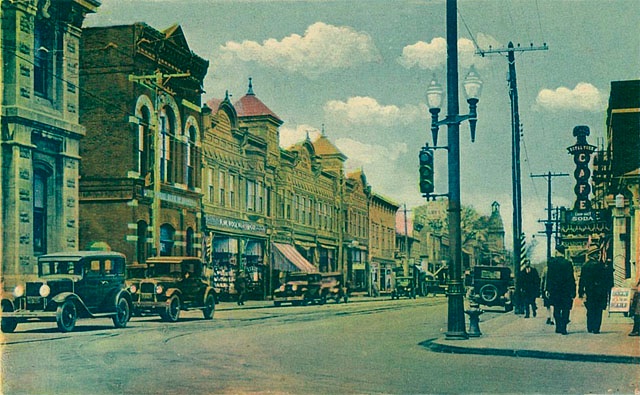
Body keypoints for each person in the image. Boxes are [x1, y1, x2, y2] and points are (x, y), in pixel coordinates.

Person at [578, 255, 614, 334]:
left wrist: (580, 291)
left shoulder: (585, 265)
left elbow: (582, 280)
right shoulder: (600, 266)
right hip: (599, 291)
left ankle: (590, 326)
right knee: (598, 310)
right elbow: (605, 279)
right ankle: (596, 328)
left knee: (590, 309)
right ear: (595, 255)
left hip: (589, 291)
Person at [546, 255, 576, 335]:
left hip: (555, 291)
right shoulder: (568, 263)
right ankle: (564, 328)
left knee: (557, 309)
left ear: (556, 252)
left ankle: (558, 326)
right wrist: (573, 290)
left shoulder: (552, 263)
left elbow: (549, 278)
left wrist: (548, 289)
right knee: (566, 309)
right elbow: (571, 278)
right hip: (566, 291)